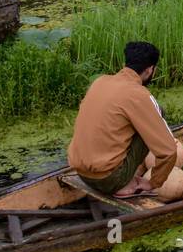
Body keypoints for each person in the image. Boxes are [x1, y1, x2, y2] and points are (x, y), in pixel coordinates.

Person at [68, 41, 177, 198]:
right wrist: (153, 182)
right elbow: (169, 151)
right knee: (158, 113)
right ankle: (124, 183)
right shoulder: (139, 94)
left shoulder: (99, 81)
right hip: (110, 180)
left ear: (126, 63)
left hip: (81, 173)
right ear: (150, 70)